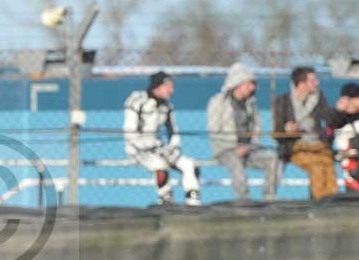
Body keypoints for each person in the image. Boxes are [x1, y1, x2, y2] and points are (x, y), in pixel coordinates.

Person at [123, 71, 201, 205]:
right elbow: (129, 131)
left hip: (159, 147)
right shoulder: (137, 101)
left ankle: (193, 202)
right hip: (137, 149)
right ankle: (166, 201)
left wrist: (174, 147)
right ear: (157, 86)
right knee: (161, 167)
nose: (172, 90)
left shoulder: (167, 107)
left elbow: (173, 131)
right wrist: (146, 145)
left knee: (189, 165)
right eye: (168, 86)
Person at [207, 62, 278, 201]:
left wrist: (252, 145)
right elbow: (214, 131)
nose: (253, 88)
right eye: (249, 84)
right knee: (236, 165)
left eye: (254, 84)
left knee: (273, 158)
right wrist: (233, 148)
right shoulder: (218, 102)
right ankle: (244, 201)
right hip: (225, 150)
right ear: (238, 83)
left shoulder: (251, 103)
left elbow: (257, 126)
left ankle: (269, 197)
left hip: (248, 149)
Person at [272, 67, 338, 200]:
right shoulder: (283, 101)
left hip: (318, 146)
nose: (317, 83)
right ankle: (320, 204)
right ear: (301, 84)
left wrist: (339, 110)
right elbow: (277, 132)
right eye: (312, 80)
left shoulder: (319, 99)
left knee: (328, 165)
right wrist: (287, 129)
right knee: (317, 167)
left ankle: (332, 203)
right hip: (296, 147)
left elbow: (331, 120)